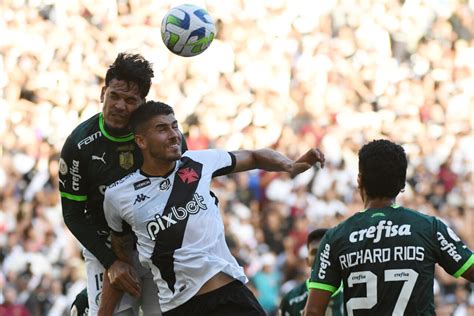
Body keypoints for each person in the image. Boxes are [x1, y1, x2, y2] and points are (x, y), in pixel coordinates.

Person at [103, 100, 326, 316]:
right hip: (179, 307)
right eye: (162, 129)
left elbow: (254, 156)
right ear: (141, 141)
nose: (173, 134)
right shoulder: (118, 196)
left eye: (174, 126)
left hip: (229, 295)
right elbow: (120, 253)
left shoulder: (198, 162)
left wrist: (289, 165)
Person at [59, 53, 187, 316]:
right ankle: (89, 301)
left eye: (130, 100)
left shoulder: (163, 136)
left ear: (142, 104)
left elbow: (183, 188)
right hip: (105, 248)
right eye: (115, 96)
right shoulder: (79, 145)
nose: (119, 105)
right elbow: (72, 214)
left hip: (154, 245)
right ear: (103, 92)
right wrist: (111, 263)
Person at [304, 139, 474, 316]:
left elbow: (313, 310)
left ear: (359, 180)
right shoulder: (429, 228)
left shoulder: (335, 237)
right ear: (402, 185)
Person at [279, 229, 343, 316]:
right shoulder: (290, 301)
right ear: (307, 261)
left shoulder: (353, 291)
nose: (321, 257)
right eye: (315, 252)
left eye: (325, 251)